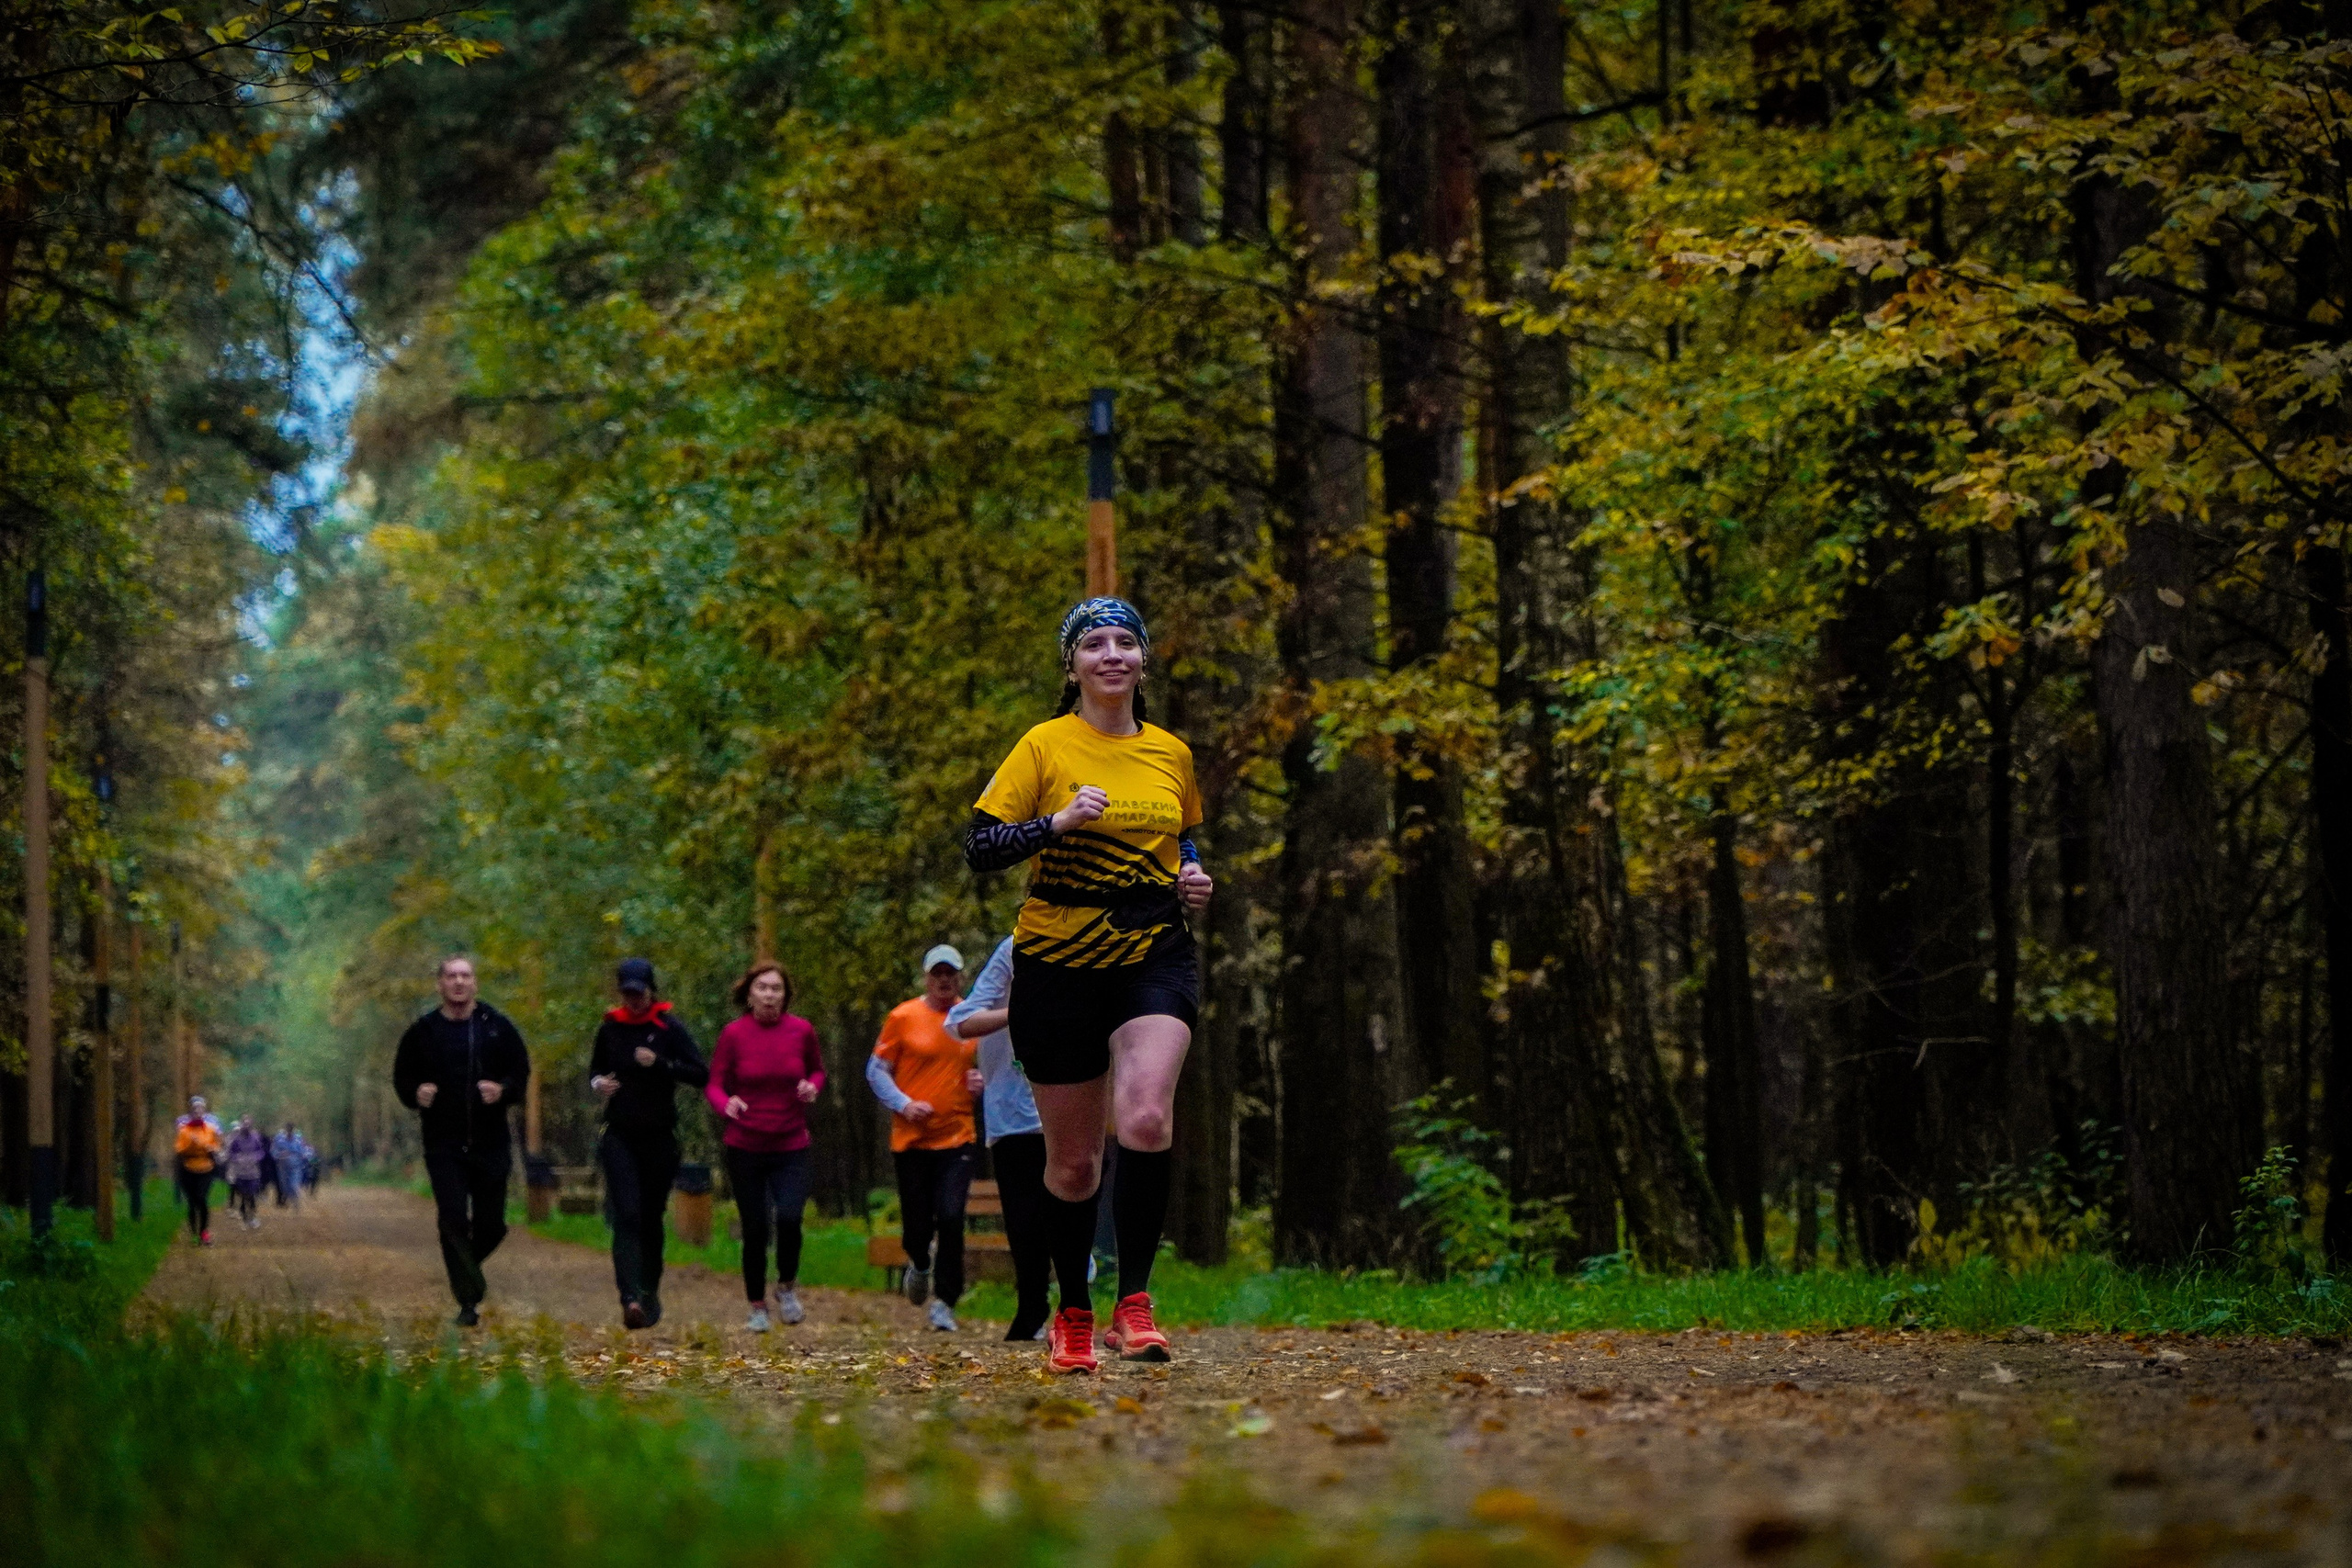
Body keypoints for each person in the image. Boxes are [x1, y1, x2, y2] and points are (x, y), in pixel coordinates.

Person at [964, 596, 1214, 1373]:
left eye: (1125, 642)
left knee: (1145, 1115)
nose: (1112, 654)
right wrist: (1057, 823)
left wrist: (1192, 875)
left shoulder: (1171, 752)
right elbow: (980, 846)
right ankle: (1072, 1311)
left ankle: (1134, 1304)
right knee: (1073, 1164)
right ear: (1072, 667)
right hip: (1058, 960)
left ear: (1143, 660)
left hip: (1152, 953)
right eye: (1094, 643)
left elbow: (1183, 835)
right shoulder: (1043, 745)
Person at [392, 953, 533, 1326]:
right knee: (453, 1219)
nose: (458, 982)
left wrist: (502, 1090)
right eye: (451, 976)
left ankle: (465, 1270)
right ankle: (468, 1299)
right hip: (443, 1143)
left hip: (491, 1141)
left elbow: (520, 1073)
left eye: (465, 976)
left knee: (493, 1225)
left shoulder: (497, 1027)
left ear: (475, 983)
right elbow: (402, 1078)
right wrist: (415, 1093)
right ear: (440, 984)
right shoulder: (422, 1032)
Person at [706, 959, 827, 1333]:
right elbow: (714, 1084)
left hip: (791, 1143)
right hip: (745, 1145)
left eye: (777, 989)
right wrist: (726, 1103)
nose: (770, 995)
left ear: (786, 996)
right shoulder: (733, 1035)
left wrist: (812, 1087)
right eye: (763, 988)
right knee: (755, 1226)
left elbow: (817, 1071)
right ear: (749, 995)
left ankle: (786, 1287)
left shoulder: (802, 1031)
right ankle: (757, 1304)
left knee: (789, 1218)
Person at [866, 945, 984, 1334]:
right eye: (938, 973)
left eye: (951, 973)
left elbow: (992, 1067)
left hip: (958, 1136)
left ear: (961, 977)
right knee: (918, 1227)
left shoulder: (972, 1017)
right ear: (927, 977)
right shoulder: (903, 1017)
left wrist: (981, 1081)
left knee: (951, 1217)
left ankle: (945, 1301)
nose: (944, 980)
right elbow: (876, 1071)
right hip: (912, 1139)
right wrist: (903, 1103)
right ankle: (919, 1262)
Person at [588, 956, 707, 1330]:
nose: (634, 1000)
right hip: (619, 1134)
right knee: (627, 1214)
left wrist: (659, 1063)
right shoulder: (610, 1028)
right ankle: (629, 1298)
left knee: (650, 1217)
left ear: (652, 991)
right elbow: (595, 1069)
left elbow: (700, 1074)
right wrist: (598, 1084)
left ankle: (649, 1290)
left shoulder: (669, 1028)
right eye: (627, 993)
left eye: (639, 993)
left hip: (659, 1137)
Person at [946, 935, 1051, 1342]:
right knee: (1023, 1215)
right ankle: (1032, 1308)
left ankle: (1076, 1294)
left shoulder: (1096, 938)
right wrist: (1018, 1011)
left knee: (1069, 1200)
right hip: (1013, 1111)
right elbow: (960, 1022)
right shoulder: (1015, 947)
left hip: (1072, 1101)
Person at [173, 1096, 222, 1245]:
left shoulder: (210, 1129)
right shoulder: (184, 1130)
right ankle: (193, 1231)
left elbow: (217, 1146)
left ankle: (204, 1232)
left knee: (202, 1198)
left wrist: (210, 1148)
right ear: (191, 1112)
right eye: (195, 1110)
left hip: (206, 1168)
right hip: (188, 1168)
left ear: (204, 1112)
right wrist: (192, 1144)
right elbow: (179, 1149)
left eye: (201, 1110)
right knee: (192, 1201)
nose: (198, 1113)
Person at [224, 1115, 268, 1228]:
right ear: (242, 1125)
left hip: (253, 1173)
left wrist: (255, 1157)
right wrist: (238, 1158)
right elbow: (231, 1153)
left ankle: (252, 1217)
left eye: (249, 1124)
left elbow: (261, 1152)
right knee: (244, 1195)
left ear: (251, 1125)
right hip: (240, 1173)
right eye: (245, 1124)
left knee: (252, 1194)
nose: (246, 1126)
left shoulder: (256, 1138)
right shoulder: (236, 1139)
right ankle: (244, 1217)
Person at [271, 1123, 303, 1210]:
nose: (289, 1132)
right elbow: (273, 1151)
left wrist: (300, 1157)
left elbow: (302, 1152)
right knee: (284, 1186)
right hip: (282, 1167)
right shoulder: (279, 1139)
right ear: (286, 1130)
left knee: (294, 1185)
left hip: (295, 1167)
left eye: (291, 1130)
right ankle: (289, 1197)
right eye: (288, 1130)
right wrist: (279, 1154)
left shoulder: (298, 1140)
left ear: (293, 1130)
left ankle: (295, 1201)